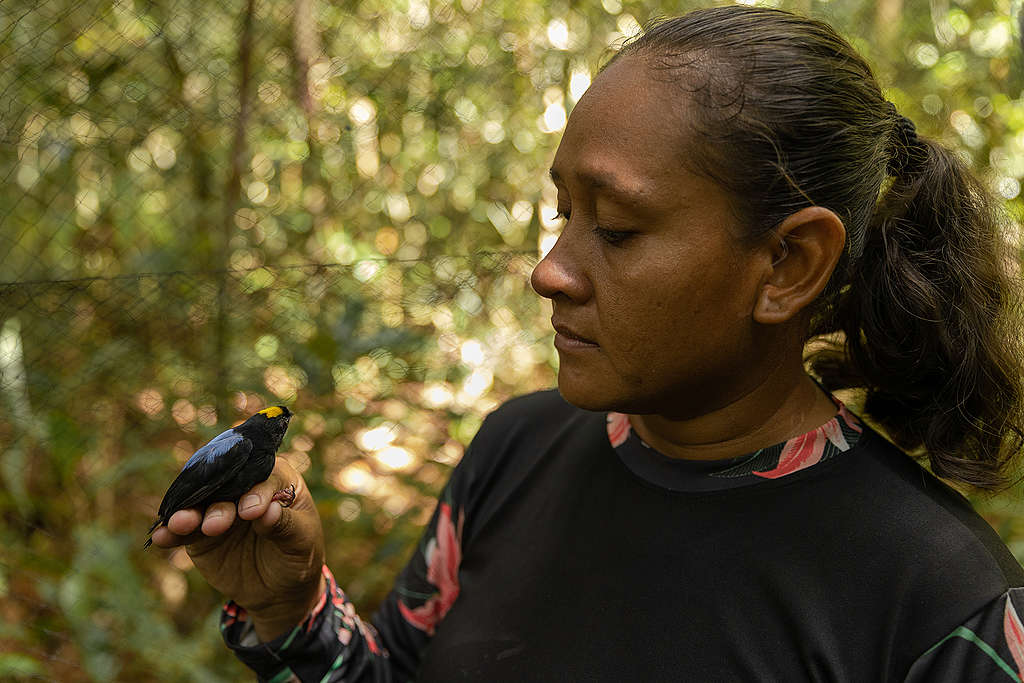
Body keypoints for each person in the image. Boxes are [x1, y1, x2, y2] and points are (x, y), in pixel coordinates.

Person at [152, 6, 1024, 681]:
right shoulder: (516, 449)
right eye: (565, 212)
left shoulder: (943, 600)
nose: (549, 271)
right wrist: (290, 606)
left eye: (617, 228)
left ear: (788, 264)